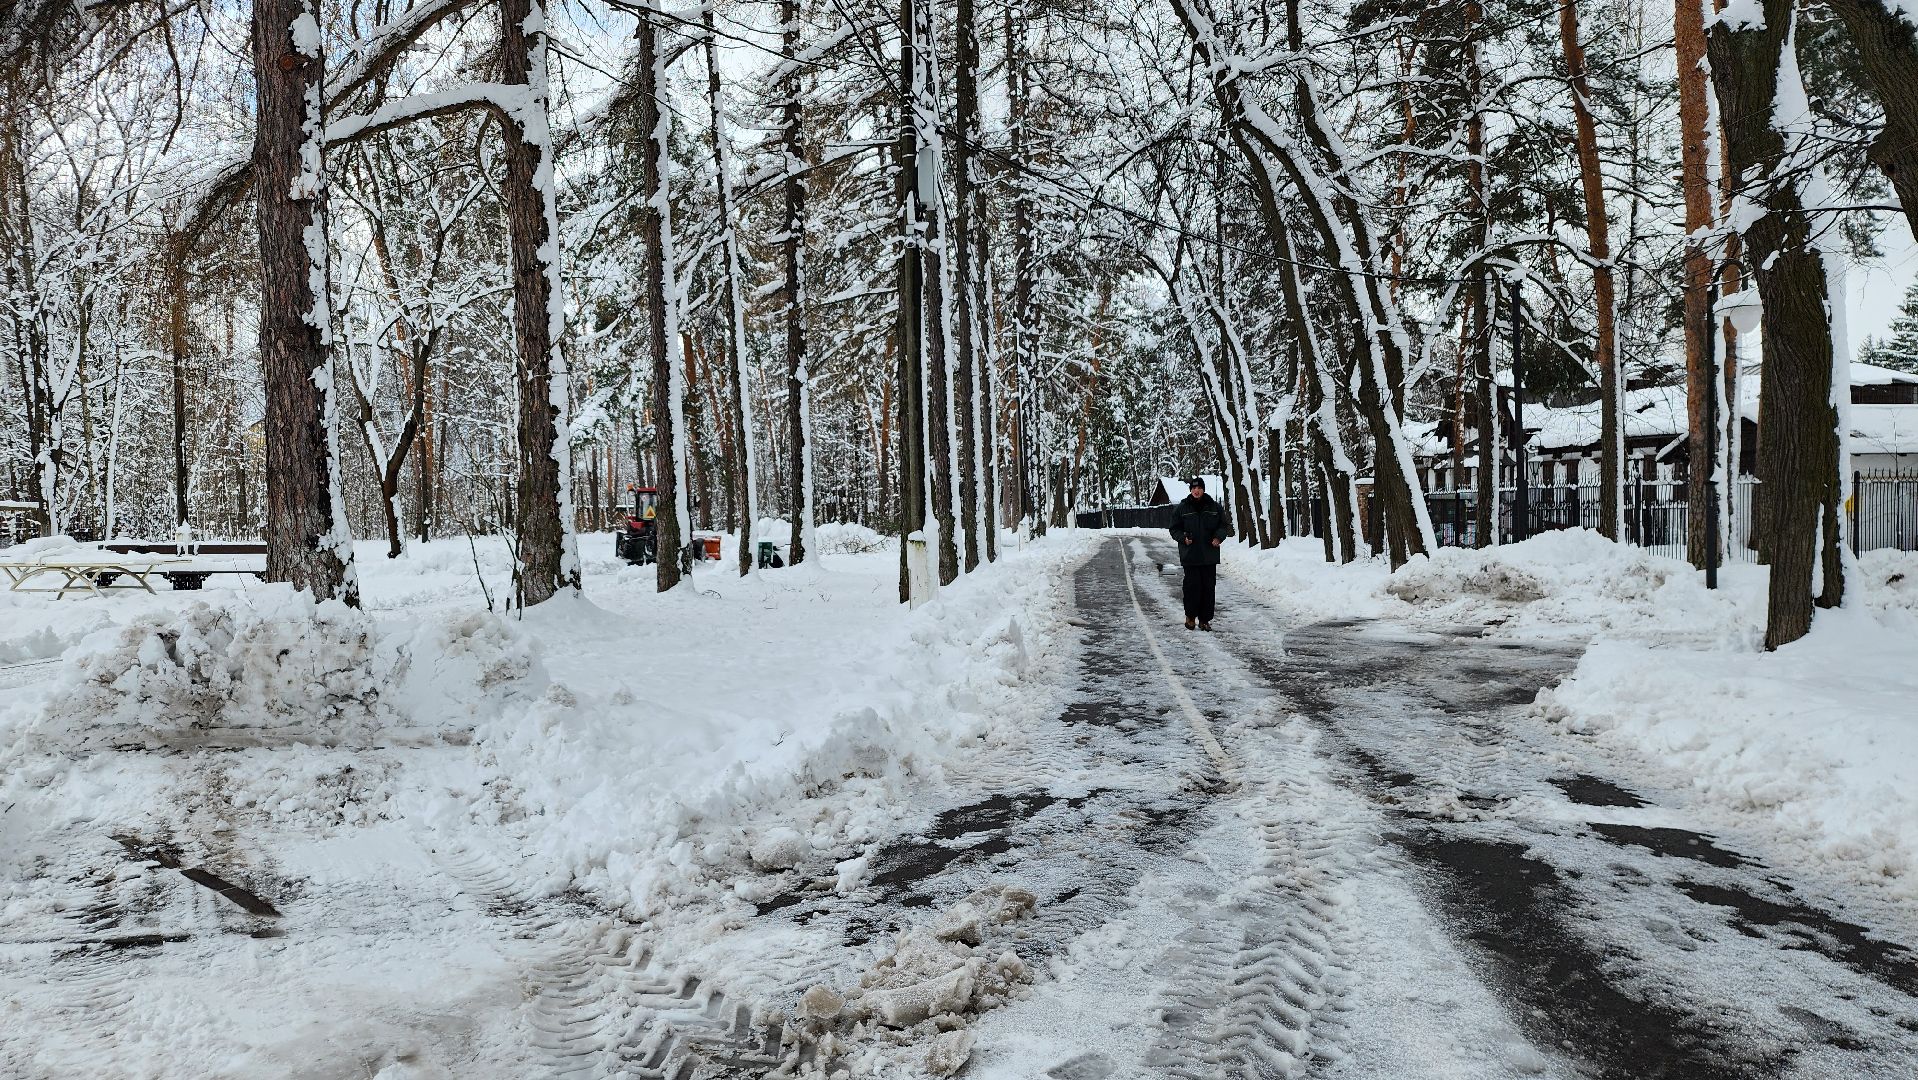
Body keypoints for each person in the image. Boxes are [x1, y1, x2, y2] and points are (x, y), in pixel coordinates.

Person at [1168, 477, 1230, 630]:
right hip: (1190, 556)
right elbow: (1174, 529)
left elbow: (1223, 525)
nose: (1196, 491)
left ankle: (1204, 620)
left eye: (1199, 488)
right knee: (1191, 588)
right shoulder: (1182, 508)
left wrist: (1218, 537)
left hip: (1209, 556)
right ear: (1191, 490)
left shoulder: (1214, 507)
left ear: (1203, 489)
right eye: (1194, 488)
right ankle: (1190, 617)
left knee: (1208, 589)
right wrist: (1183, 538)